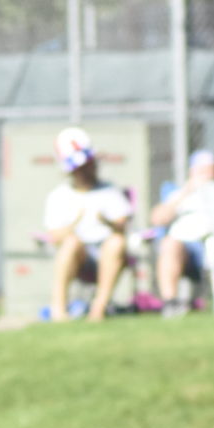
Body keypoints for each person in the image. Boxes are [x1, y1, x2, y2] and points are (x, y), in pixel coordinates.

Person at [42, 126, 135, 321]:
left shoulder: (109, 191)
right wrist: (72, 226)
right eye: (79, 168)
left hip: (106, 252)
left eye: (88, 165)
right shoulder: (59, 196)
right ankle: (59, 311)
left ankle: (98, 310)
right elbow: (54, 235)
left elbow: (123, 225)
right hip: (78, 255)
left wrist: (107, 222)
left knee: (116, 243)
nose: (85, 171)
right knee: (71, 244)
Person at [149, 148, 214, 315]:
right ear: (192, 171)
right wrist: (187, 191)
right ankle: (170, 303)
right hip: (186, 248)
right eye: (203, 170)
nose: (207, 175)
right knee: (170, 244)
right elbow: (157, 218)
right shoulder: (179, 194)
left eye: (211, 170)